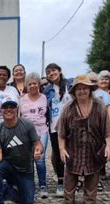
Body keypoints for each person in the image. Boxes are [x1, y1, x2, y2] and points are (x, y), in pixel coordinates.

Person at [58, 75, 110, 204]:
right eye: (78, 89)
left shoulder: (99, 105)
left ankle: (89, 201)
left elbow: (106, 129)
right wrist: (61, 148)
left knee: (92, 174)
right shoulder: (68, 108)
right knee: (70, 175)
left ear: (90, 89)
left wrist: (108, 146)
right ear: (74, 91)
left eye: (84, 88)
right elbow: (61, 131)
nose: (82, 91)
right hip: (73, 147)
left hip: (93, 147)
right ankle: (68, 200)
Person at [0, 99, 43, 204]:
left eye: (12, 107)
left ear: (16, 109)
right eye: (5, 107)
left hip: (25, 170)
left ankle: (6, 189)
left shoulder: (27, 124)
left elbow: (38, 143)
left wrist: (38, 151)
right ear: (1, 111)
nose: (9, 109)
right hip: (9, 167)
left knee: (28, 202)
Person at [43, 63, 72, 196]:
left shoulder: (70, 84)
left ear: (60, 71)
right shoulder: (47, 90)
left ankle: (73, 180)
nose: (51, 73)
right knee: (59, 155)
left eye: (54, 70)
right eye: (48, 72)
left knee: (73, 153)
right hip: (55, 127)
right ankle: (60, 182)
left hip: (72, 125)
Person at [19, 72, 49, 198]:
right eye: (30, 83)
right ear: (26, 85)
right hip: (26, 132)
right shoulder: (21, 99)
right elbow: (18, 116)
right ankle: (30, 184)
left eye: (34, 83)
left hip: (42, 130)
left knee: (40, 159)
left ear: (38, 84)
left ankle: (43, 185)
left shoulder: (44, 97)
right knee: (28, 159)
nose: (32, 86)